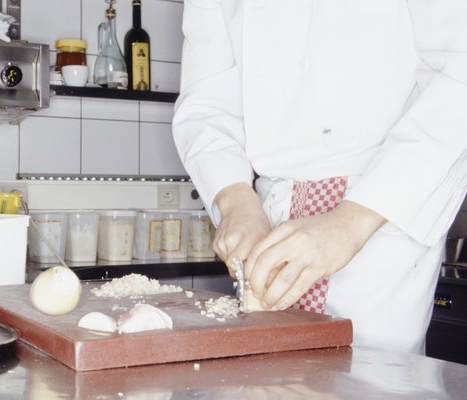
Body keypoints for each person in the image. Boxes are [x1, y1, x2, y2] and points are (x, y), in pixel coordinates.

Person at [172, 0, 467, 355]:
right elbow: (206, 99)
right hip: (270, 215)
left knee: (368, 379)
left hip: (381, 213)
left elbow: (459, 71)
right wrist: (236, 201)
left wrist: (351, 222)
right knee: (265, 380)